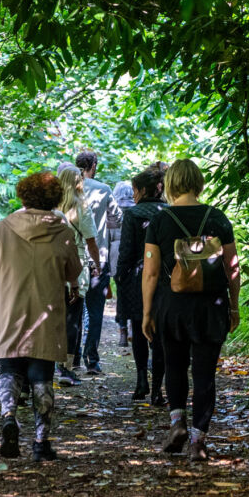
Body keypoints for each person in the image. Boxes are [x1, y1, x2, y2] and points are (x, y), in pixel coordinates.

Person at [0, 172, 82, 462]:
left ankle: (9, 418)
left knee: (9, 370)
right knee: (41, 376)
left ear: (23, 196)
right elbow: (74, 271)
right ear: (55, 199)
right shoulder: (64, 231)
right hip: (46, 313)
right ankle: (41, 443)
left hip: (9, 312)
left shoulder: (1, 229)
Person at [141, 159, 241, 461]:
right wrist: (234, 308)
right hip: (211, 306)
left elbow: (151, 272)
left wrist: (147, 313)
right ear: (198, 182)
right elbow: (232, 267)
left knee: (174, 365)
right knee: (204, 373)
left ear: (169, 184)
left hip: (172, 308)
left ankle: (177, 424)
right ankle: (199, 440)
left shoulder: (160, 221)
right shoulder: (218, 218)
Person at [116, 168, 167, 403]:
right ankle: (157, 388)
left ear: (143, 190)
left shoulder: (133, 214)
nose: (133, 194)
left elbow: (126, 252)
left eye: (135, 189)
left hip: (137, 278)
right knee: (160, 335)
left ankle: (141, 382)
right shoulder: (169, 212)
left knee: (139, 330)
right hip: (164, 279)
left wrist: (119, 278)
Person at [76, 151, 122, 374]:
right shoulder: (103, 189)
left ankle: (71, 357)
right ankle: (91, 360)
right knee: (95, 311)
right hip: (98, 258)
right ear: (93, 165)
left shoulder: (68, 189)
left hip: (73, 258)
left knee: (72, 309)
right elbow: (117, 219)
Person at [54, 166, 100, 384]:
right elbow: (91, 240)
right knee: (72, 318)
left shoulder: (51, 206)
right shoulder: (81, 206)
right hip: (76, 264)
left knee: (53, 317)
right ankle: (66, 368)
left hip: (52, 265)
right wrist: (97, 264)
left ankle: (49, 362)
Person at [109, 180, 136, 346]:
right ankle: (133, 326)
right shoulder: (136, 210)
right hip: (134, 254)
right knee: (136, 292)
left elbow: (109, 235)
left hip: (116, 255)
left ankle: (122, 331)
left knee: (121, 293)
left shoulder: (112, 210)